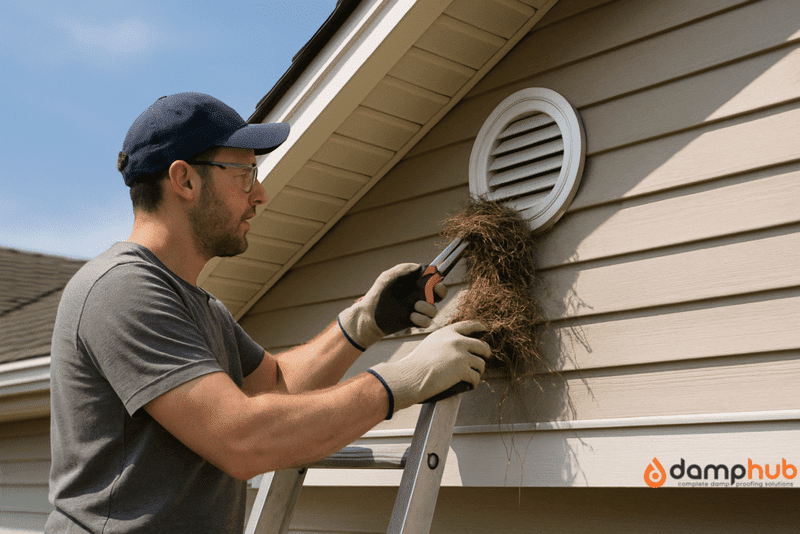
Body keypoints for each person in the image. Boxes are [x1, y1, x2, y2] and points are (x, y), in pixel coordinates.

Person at [46, 92, 490, 533]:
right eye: (245, 174)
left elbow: (276, 384)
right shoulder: (120, 290)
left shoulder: (199, 305)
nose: (259, 194)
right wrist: (407, 379)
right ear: (184, 180)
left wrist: (363, 322)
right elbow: (241, 439)